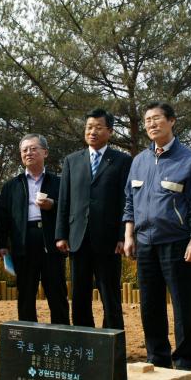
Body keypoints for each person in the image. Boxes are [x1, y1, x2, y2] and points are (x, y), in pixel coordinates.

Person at [123, 102, 191, 370]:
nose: (151, 124)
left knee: (183, 304)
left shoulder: (188, 159)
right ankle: (157, 357)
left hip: (177, 242)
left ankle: (184, 361)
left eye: (157, 118)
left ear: (172, 121)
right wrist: (129, 235)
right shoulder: (139, 161)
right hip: (145, 242)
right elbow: (129, 201)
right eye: (147, 119)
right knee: (150, 304)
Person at [55, 108, 132, 328]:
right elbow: (64, 199)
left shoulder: (122, 161)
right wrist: (61, 234)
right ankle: (83, 341)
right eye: (89, 127)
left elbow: (125, 200)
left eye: (98, 127)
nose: (92, 132)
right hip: (77, 238)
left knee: (110, 295)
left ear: (110, 131)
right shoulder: (72, 160)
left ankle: (113, 343)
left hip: (108, 240)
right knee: (79, 295)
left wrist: (122, 236)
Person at [0, 134, 70, 324]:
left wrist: (52, 204)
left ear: (45, 152)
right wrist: (2, 243)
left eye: (33, 148)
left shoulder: (59, 182)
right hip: (23, 241)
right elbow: (2, 216)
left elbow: (70, 209)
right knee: (26, 292)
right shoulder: (12, 185)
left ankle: (61, 335)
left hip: (51, 240)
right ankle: (28, 335)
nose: (29, 153)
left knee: (56, 291)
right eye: (24, 150)